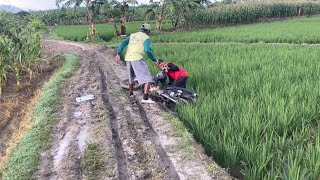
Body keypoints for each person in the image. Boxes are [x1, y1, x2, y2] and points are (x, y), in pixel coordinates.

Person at [115, 23, 159, 104]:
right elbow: (147, 50)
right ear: (148, 31)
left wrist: (118, 53)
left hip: (128, 58)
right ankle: (145, 98)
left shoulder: (133, 35)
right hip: (137, 58)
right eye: (149, 32)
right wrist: (154, 60)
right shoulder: (146, 37)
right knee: (148, 78)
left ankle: (131, 93)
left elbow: (123, 43)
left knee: (131, 77)